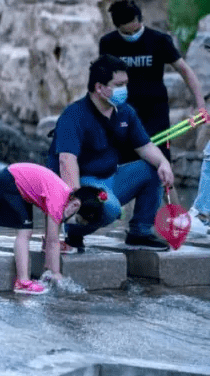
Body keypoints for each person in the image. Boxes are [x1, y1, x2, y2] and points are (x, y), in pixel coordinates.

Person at [47, 55, 175, 251]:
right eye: (118, 84)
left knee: (151, 169)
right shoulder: (74, 116)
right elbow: (66, 160)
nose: (124, 89)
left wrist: (163, 163)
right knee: (111, 209)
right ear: (99, 87)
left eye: (125, 84)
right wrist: (76, 200)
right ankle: (74, 230)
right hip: (85, 182)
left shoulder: (124, 112)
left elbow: (145, 147)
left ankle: (140, 232)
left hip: (112, 177)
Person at [99, 0, 205, 161]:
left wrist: (200, 106)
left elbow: (185, 71)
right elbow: (100, 81)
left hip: (156, 112)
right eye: (126, 33)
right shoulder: (109, 43)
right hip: (123, 111)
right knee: (125, 162)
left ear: (141, 20)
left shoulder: (159, 40)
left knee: (160, 163)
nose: (132, 36)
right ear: (117, 28)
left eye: (136, 30)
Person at [0, 163, 105, 294]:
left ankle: (32, 277)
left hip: (15, 179)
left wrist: (48, 267)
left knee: (28, 231)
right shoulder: (58, 200)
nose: (73, 223)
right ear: (75, 205)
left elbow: (50, 237)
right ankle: (22, 282)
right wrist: (56, 273)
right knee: (25, 232)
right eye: (77, 220)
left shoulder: (66, 197)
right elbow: (53, 242)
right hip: (9, 181)